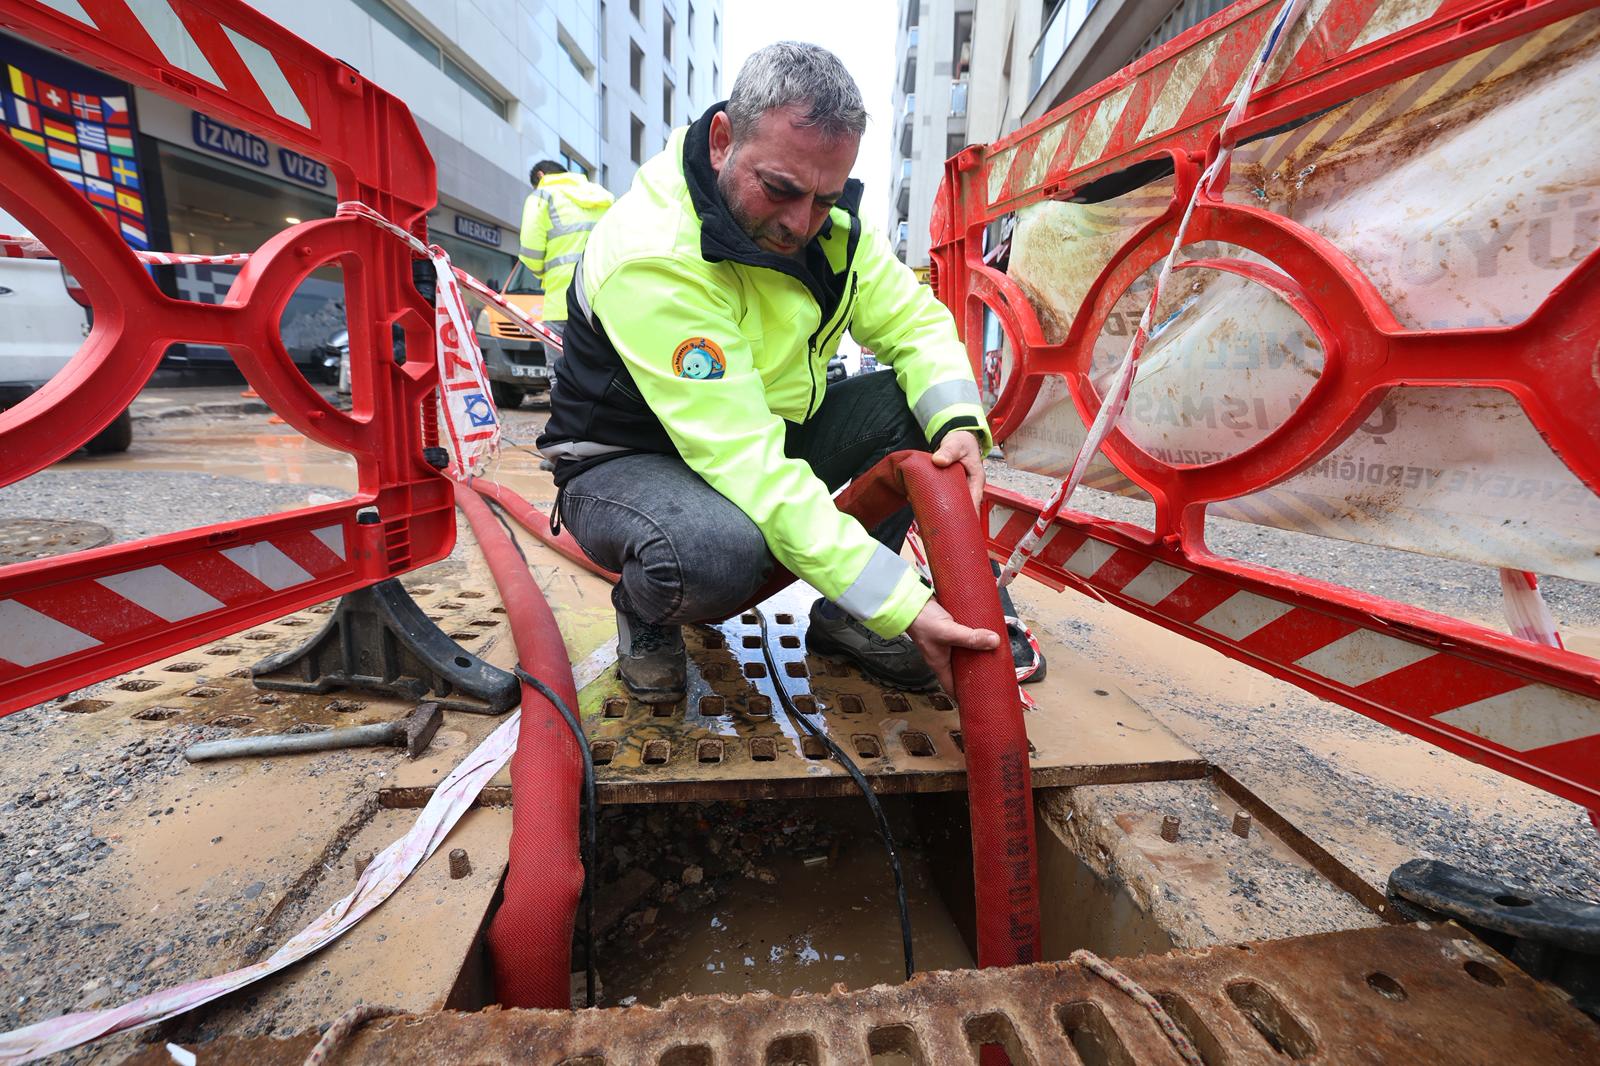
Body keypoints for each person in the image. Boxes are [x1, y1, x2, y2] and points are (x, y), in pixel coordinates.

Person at [537, 42, 999, 703]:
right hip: (626, 463)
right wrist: (904, 603)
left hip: (757, 434)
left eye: (823, 198)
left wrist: (957, 426)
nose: (798, 223)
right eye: (779, 189)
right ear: (723, 140)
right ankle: (648, 608)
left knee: (916, 410)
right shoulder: (657, 254)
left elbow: (916, 324)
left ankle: (845, 617)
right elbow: (749, 463)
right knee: (713, 553)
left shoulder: (828, 224)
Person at [519, 159, 614, 338]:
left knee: (557, 364)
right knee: (599, 365)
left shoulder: (542, 196)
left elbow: (531, 253)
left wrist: (543, 274)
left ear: (540, 175)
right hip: (603, 305)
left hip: (561, 303)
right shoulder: (604, 197)